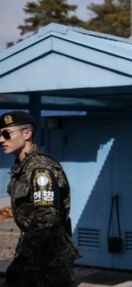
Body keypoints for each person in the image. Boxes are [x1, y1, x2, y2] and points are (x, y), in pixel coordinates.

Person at [0, 111, 80, 287]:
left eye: (6, 134)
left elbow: (46, 220)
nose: (1, 140)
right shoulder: (22, 168)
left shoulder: (40, 169)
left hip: (48, 266)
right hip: (35, 260)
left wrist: (21, 261)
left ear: (27, 133)